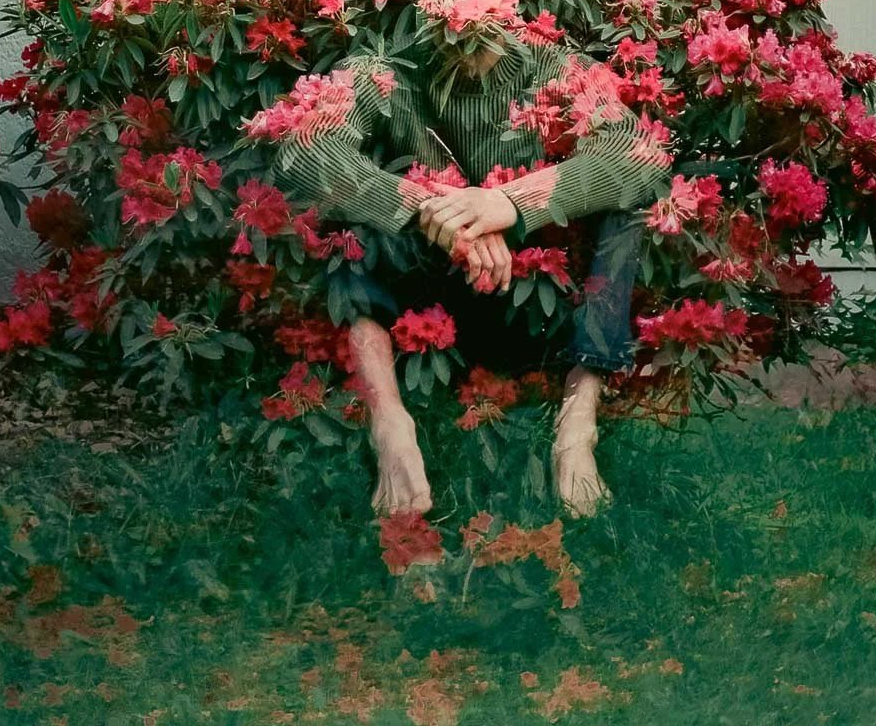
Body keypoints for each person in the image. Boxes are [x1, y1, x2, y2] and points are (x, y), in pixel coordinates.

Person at [272, 36, 666, 516]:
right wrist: (427, 209)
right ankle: (390, 423)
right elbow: (304, 153)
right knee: (348, 222)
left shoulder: (551, 62)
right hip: (429, 305)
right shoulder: (388, 65)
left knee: (626, 210)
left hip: (533, 299)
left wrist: (509, 203)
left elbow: (639, 155)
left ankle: (577, 420)